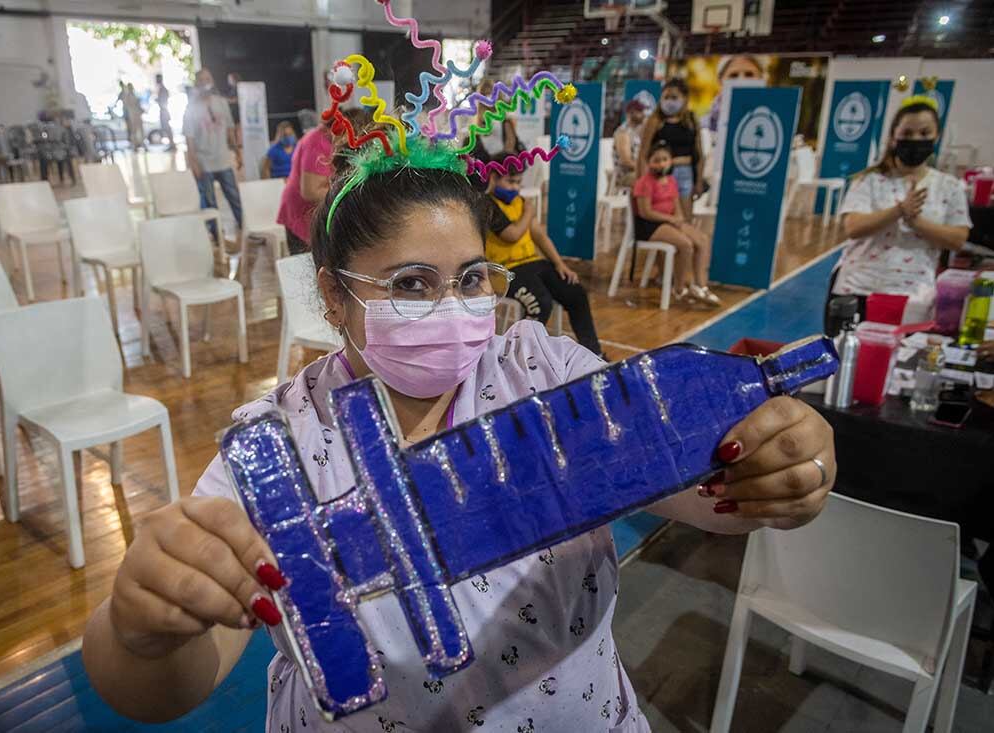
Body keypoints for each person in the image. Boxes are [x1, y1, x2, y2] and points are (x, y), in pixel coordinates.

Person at [82, 136, 838, 732]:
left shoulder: (539, 371)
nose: (453, 308)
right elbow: (166, 684)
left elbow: (704, 488)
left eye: (471, 279)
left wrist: (782, 467)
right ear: (334, 295)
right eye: (412, 284)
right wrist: (140, 627)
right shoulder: (276, 448)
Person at [827, 97, 971, 324]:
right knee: (846, 354)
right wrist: (899, 210)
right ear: (894, 136)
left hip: (913, 296)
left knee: (898, 357)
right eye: (907, 133)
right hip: (858, 288)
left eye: (924, 133)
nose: (916, 140)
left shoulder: (949, 187)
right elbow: (853, 227)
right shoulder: (869, 180)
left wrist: (917, 223)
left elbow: (958, 240)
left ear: (937, 136)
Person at [485, 157, 603, 355]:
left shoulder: (520, 203)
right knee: (540, 303)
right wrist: (529, 213)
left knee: (576, 293)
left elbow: (540, 235)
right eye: (509, 181)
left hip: (532, 263)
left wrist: (560, 264)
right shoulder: (486, 205)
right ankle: (520, 356)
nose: (515, 188)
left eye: (518, 182)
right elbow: (512, 235)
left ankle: (593, 352)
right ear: (494, 177)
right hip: (506, 271)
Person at [633, 140, 720, 307]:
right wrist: (671, 220)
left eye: (664, 159)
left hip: (669, 221)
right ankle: (679, 289)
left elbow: (676, 206)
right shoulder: (644, 182)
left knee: (701, 239)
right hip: (649, 225)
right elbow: (645, 212)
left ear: (670, 161)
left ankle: (700, 286)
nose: (661, 164)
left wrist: (679, 220)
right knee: (686, 245)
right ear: (649, 162)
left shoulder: (671, 180)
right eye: (656, 160)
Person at [276, 107, 370, 254]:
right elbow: (311, 191)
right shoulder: (318, 142)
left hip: (313, 214)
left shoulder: (330, 140)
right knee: (307, 264)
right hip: (301, 213)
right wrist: (349, 193)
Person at [183, 68, 244, 238]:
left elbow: (230, 130)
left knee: (234, 197)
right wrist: (193, 163)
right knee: (210, 202)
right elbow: (189, 140)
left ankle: (245, 227)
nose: (205, 82)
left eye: (207, 78)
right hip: (204, 162)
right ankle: (217, 235)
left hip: (223, 159)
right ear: (196, 83)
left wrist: (237, 152)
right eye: (201, 80)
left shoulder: (221, 103)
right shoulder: (191, 108)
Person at [637, 78, 703, 219]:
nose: (669, 101)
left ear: (684, 98)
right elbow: (643, 153)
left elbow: (699, 153)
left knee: (685, 219)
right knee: (665, 217)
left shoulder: (691, 120)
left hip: (686, 174)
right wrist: (642, 181)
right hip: (662, 174)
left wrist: (699, 181)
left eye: (674, 97)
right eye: (666, 97)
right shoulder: (655, 120)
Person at [705, 54, 765, 133]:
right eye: (733, 75)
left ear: (761, 79)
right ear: (720, 82)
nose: (742, 80)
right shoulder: (704, 127)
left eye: (749, 74)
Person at [612, 98, 647, 192]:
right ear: (630, 113)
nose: (643, 114)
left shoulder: (635, 131)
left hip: (636, 171)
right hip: (625, 175)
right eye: (640, 112)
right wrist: (644, 168)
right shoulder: (623, 132)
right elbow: (626, 161)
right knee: (648, 181)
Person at [119, 82, 145, 150]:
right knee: (134, 131)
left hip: (137, 115)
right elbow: (131, 106)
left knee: (140, 130)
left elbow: (138, 105)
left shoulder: (134, 95)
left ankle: (141, 143)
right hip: (132, 116)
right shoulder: (127, 96)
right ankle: (135, 144)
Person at [155, 73, 175, 151]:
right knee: (166, 129)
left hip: (164, 112)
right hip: (163, 111)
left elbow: (163, 101)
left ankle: (172, 144)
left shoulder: (163, 89)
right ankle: (171, 144)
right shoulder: (161, 88)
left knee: (167, 128)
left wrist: (158, 100)